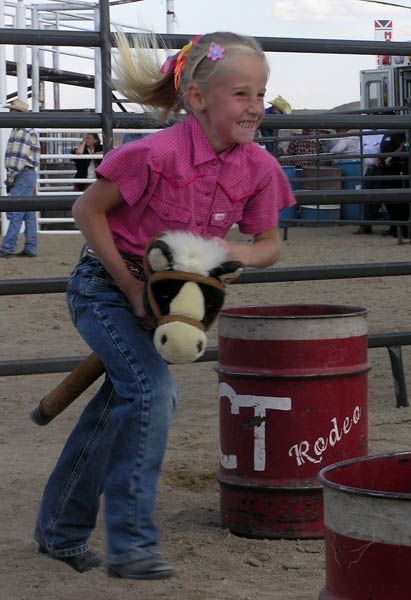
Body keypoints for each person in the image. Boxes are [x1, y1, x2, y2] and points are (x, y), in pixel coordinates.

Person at [33, 31, 296, 580]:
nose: (257, 107)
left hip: (172, 302)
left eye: (262, 93)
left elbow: (269, 244)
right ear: (198, 99)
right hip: (106, 288)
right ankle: (131, 542)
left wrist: (236, 251)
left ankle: (60, 528)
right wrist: (131, 291)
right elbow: (88, 211)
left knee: (121, 402)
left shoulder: (259, 168)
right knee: (154, 390)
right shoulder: (152, 155)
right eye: (243, 94)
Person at [0, 99, 41, 258]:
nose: (9, 114)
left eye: (12, 111)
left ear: (17, 113)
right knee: (28, 212)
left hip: (21, 174)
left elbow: (17, 158)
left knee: (16, 211)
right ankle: (30, 247)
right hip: (28, 174)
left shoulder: (20, 131)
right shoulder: (28, 130)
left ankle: (7, 247)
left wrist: (10, 176)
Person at [354, 128, 385, 234]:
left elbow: (386, 149)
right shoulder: (366, 133)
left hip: (382, 168)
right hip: (371, 167)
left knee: (376, 196)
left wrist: (380, 158)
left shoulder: (383, 133)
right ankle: (366, 224)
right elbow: (358, 150)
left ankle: (368, 223)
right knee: (366, 195)